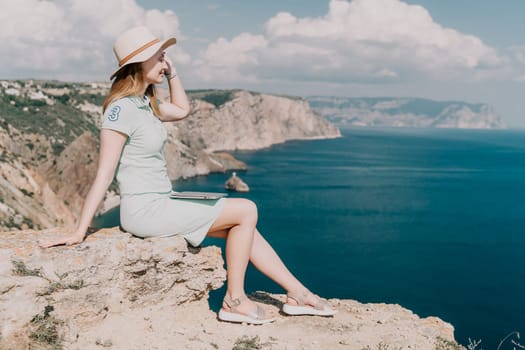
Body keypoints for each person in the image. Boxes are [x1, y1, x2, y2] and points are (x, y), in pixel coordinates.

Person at [41, 26, 336, 324]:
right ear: (138, 64)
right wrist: (81, 230)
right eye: (158, 58)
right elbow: (104, 173)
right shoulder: (120, 110)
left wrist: (172, 73)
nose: (164, 62)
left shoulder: (146, 104)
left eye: (164, 56)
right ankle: (234, 301)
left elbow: (183, 109)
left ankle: (297, 292)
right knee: (247, 209)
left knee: (242, 229)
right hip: (145, 210)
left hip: (163, 202)